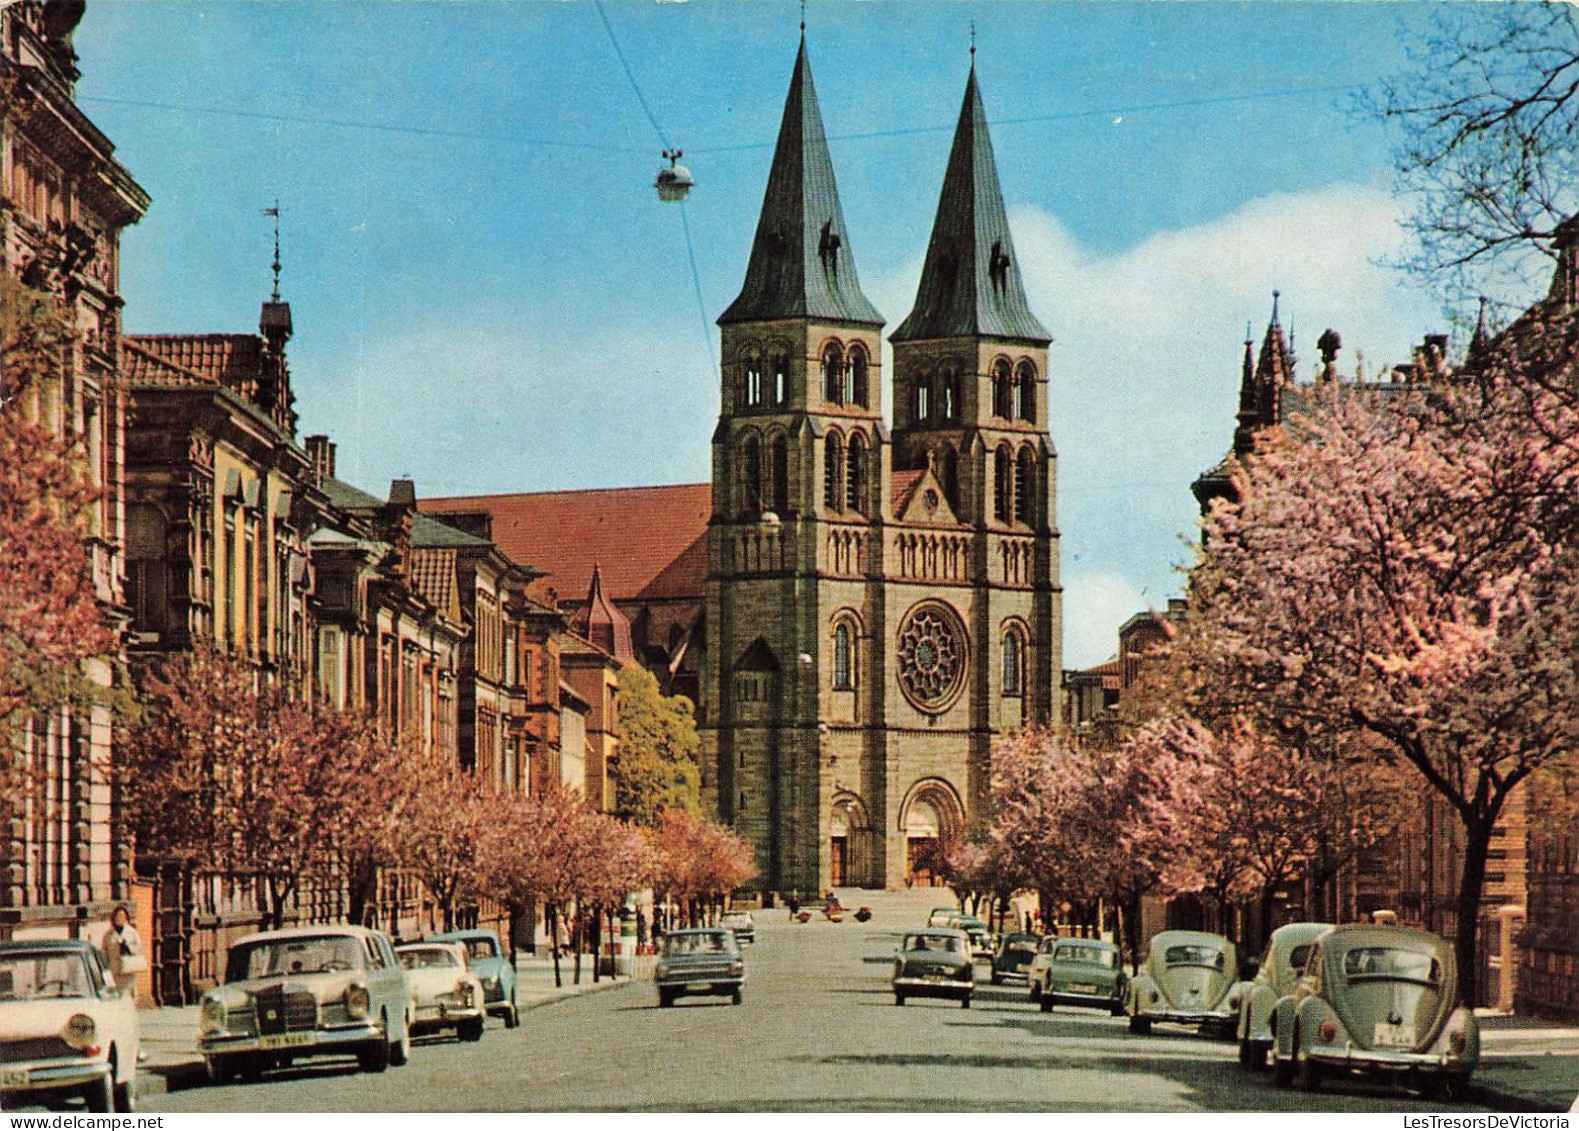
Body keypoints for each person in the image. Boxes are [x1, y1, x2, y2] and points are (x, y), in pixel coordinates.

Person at [100, 904, 144, 992]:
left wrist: (128, 947)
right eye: (117, 916)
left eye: (122, 916)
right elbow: (104, 954)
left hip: (129, 971)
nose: (119, 918)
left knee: (128, 996)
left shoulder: (132, 933)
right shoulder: (108, 935)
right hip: (114, 972)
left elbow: (140, 949)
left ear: (126, 918)